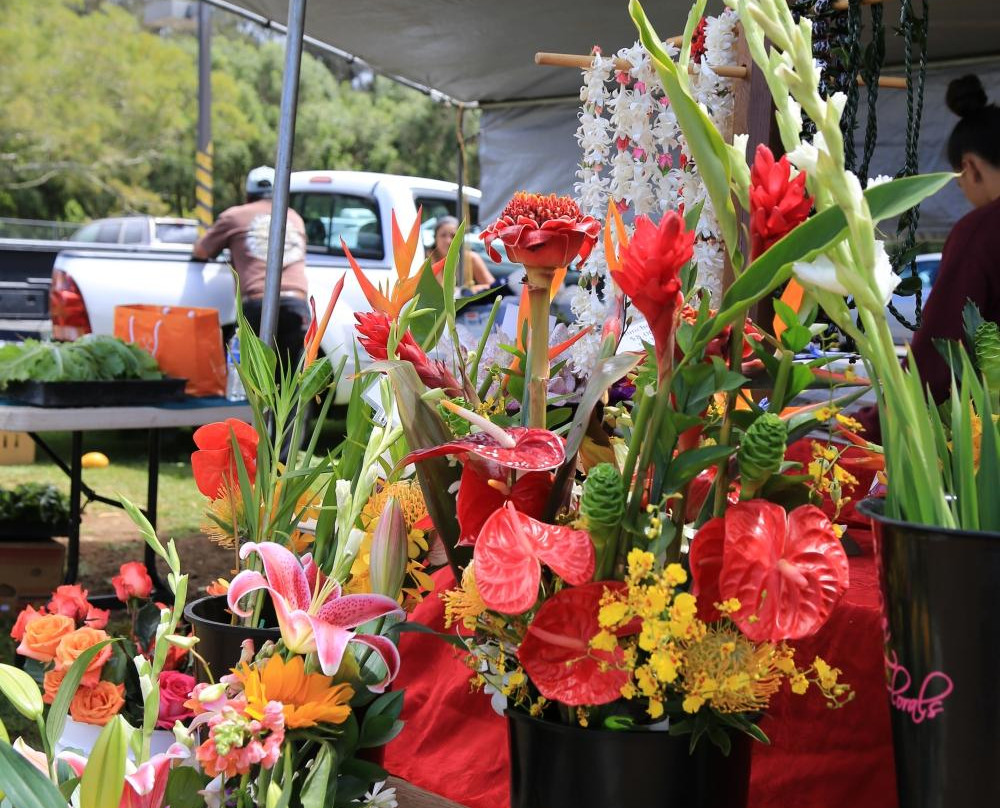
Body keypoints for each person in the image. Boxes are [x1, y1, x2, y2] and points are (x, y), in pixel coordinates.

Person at [855, 75, 1000, 441]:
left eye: (960, 183)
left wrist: (873, 424)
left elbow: (941, 351)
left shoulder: (982, 230)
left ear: (970, 167)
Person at [192, 166, 311, 373]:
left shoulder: (233, 217)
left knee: (255, 380)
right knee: (291, 381)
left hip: (258, 304)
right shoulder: (294, 217)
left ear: (247, 195)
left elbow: (201, 251)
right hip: (297, 304)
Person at [428, 216, 496, 294]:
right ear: (435, 238)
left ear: (460, 239)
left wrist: (467, 291)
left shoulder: (471, 258)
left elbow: (492, 287)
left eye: (453, 236)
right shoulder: (426, 259)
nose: (448, 241)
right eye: (443, 235)